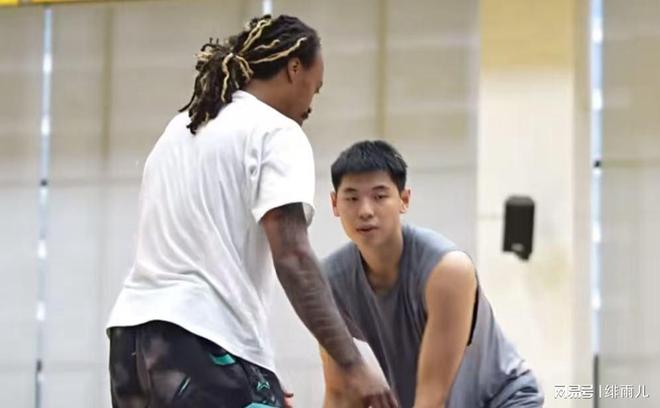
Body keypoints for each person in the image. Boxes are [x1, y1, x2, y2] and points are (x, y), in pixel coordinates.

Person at [106, 15, 397, 408]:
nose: (311, 104)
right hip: (204, 339)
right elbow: (293, 257)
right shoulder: (276, 131)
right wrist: (353, 364)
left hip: (132, 343)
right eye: (315, 87)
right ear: (294, 67)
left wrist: (258, 376)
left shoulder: (179, 129)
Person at [320, 140, 545, 408]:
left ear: (404, 200)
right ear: (334, 204)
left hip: (501, 401)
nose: (365, 211)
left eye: (379, 196)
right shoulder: (330, 281)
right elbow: (340, 393)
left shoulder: (447, 269)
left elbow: (432, 395)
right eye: (352, 198)